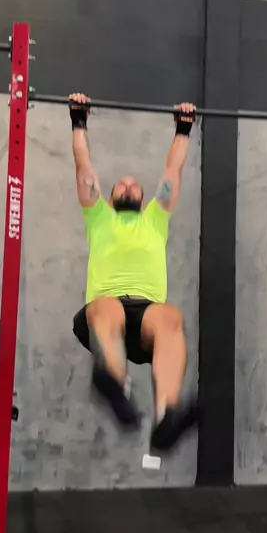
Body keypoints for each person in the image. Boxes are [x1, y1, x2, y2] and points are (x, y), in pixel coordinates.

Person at [70, 93, 199, 452]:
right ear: (109, 197)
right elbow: (83, 167)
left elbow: (173, 172)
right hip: (104, 316)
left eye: (134, 185)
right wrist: (78, 120)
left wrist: (184, 128)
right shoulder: (99, 217)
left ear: (144, 198)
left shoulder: (156, 219)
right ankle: (115, 384)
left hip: (145, 318)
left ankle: (166, 416)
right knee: (108, 306)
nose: (128, 186)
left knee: (170, 317)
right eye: (121, 185)